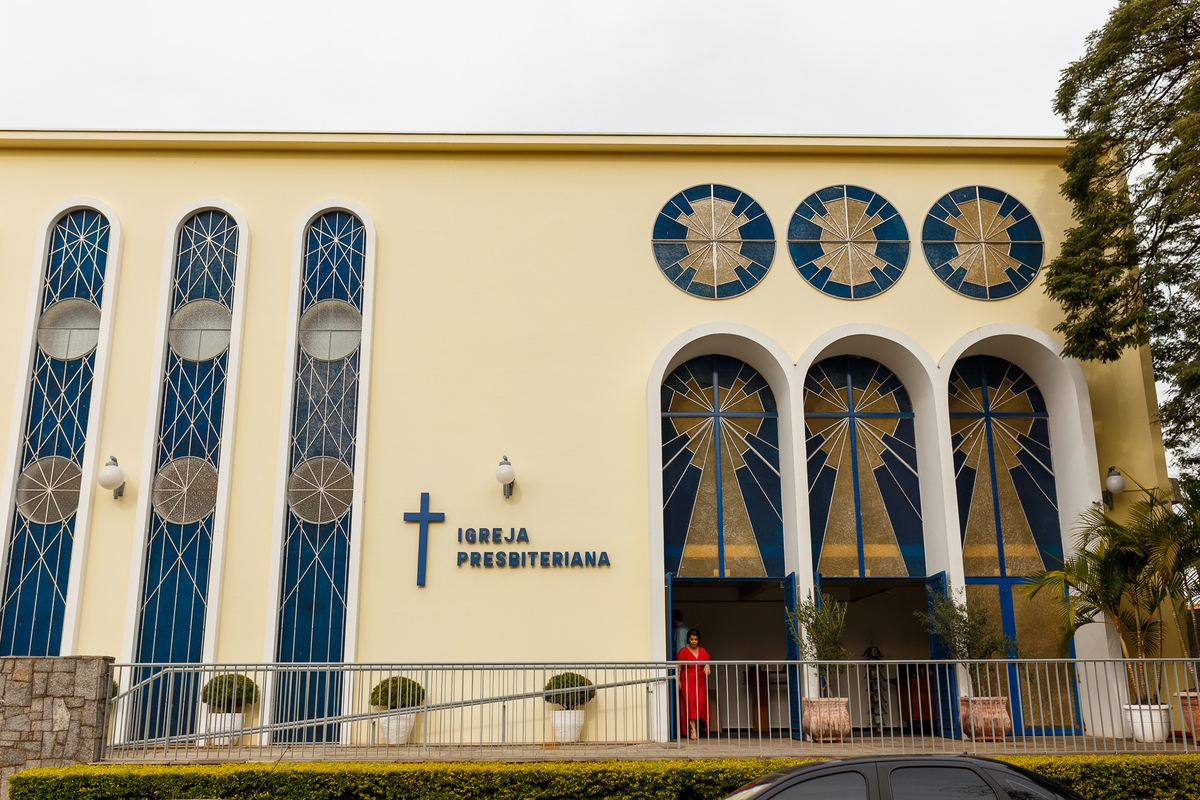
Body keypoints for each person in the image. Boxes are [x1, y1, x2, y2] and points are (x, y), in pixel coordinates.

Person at [676, 629, 710, 741]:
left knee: (700, 703)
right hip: (687, 680)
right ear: (688, 640)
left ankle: (700, 727)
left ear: (698, 640)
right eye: (691, 639)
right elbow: (679, 666)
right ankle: (693, 730)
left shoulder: (702, 650)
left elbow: (707, 662)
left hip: (700, 681)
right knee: (690, 705)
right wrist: (678, 680)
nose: (693, 641)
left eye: (695, 639)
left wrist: (707, 666)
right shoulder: (684, 651)